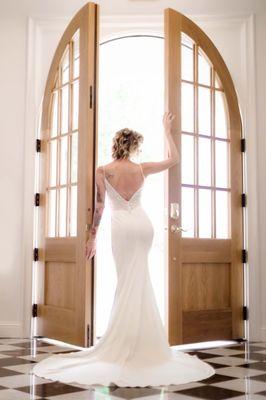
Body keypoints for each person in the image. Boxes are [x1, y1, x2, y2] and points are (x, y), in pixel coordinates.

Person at [32, 111, 215, 387]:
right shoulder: (142, 169)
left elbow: (100, 207)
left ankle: (126, 340)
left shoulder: (104, 171)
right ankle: (143, 343)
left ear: (116, 145)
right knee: (139, 281)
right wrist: (166, 130)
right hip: (143, 227)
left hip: (121, 229)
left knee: (126, 282)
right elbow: (174, 160)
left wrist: (92, 237)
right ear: (133, 147)